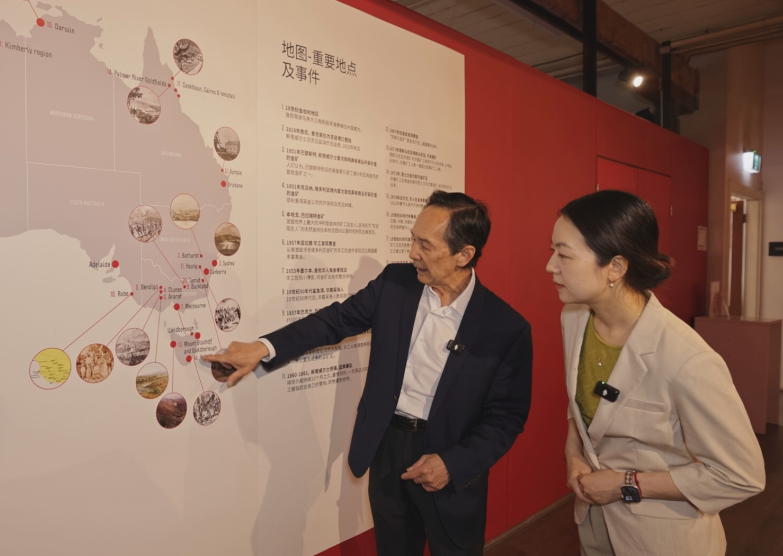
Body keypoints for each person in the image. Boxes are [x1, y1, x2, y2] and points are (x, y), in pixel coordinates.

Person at [204, 191, 532, 555]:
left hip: (449, 458)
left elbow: (506, 417)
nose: (412, 253)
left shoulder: (505, 327)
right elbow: (333, 321)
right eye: (413, 239)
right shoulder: (395, 284)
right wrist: (263, 348)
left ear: (464, 255)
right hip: (386, 446)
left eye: (425, 244)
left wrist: (452, 464)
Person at [546, 190, 765, 556]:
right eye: (552, 251)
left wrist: (623, 483)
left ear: (616, 267)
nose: (550, 266)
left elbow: (741, 475)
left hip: (662, 538)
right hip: (593, 523)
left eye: (563, 254)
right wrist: (574, 454)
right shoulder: (574, 318)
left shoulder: (687, 358)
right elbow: (581, 405)